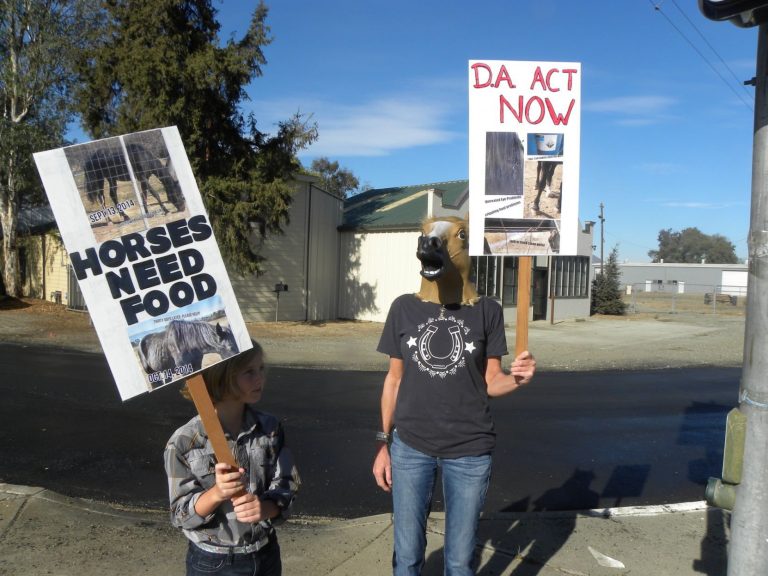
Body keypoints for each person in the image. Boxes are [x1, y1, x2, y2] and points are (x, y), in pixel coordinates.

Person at [372, 216, 536, 576]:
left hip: (470, 451)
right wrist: (384, 443)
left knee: (460, 561)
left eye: (454, 236)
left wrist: (518, 380)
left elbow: (492, 380)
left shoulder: (487, 310)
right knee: (407, 555)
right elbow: (393, 381)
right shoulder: (403, 308)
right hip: (410, 447)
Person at [164, 340, 299, 576]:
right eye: (249, 372)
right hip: (213, 563)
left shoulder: (270, 427)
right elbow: (180, 514)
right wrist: (217, 493)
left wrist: (267, 509)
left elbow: (288, 484)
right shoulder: (184, 442)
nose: (260, 379)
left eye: (261, 369)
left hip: (265, 555)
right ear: (222, 377)